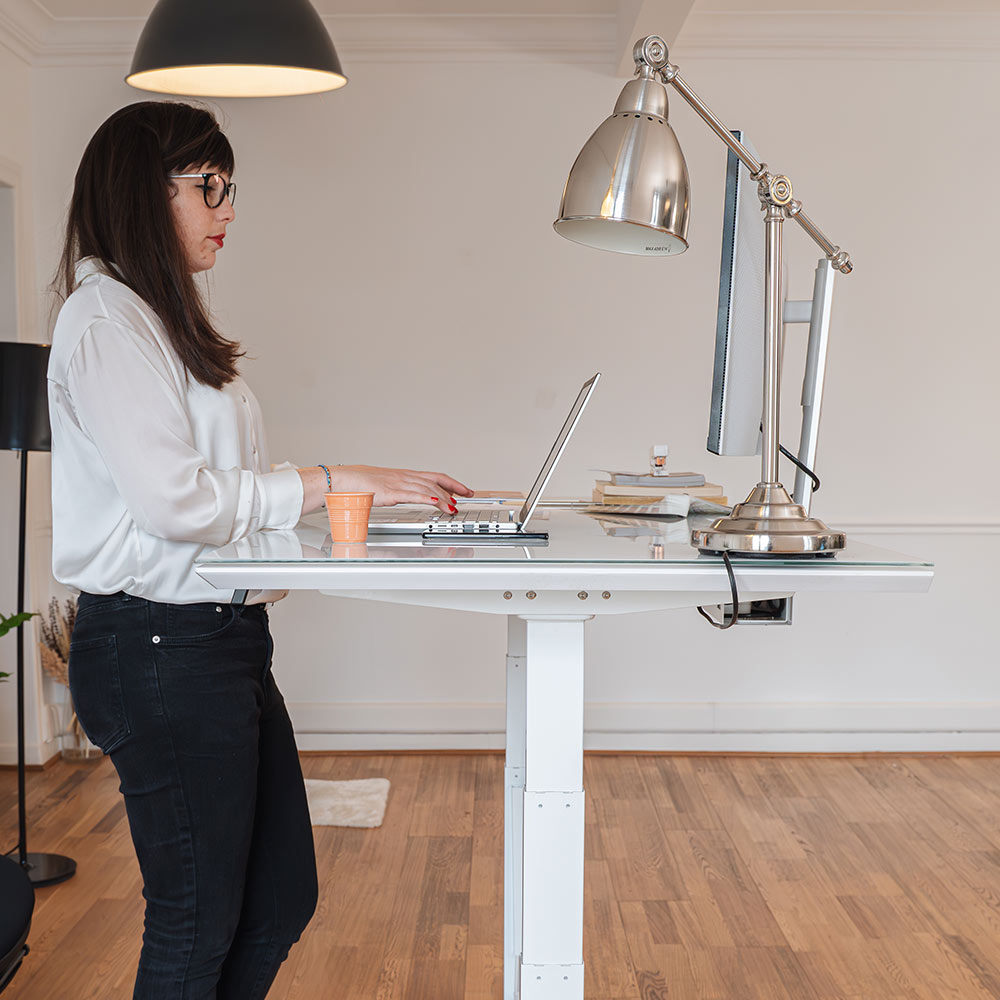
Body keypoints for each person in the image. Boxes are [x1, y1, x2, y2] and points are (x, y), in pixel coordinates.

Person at [46, 100, 473, 999]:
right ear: (142, 191)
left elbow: (225, 491)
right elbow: (178, 504)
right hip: (157, 647)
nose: (229, 208)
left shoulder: (161, 318)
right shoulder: (104, 324)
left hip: (220, 643)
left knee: (279, 899)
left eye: (230, 189)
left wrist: (365, 505)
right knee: (195, 925)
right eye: (211, 187)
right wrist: (331, 476)